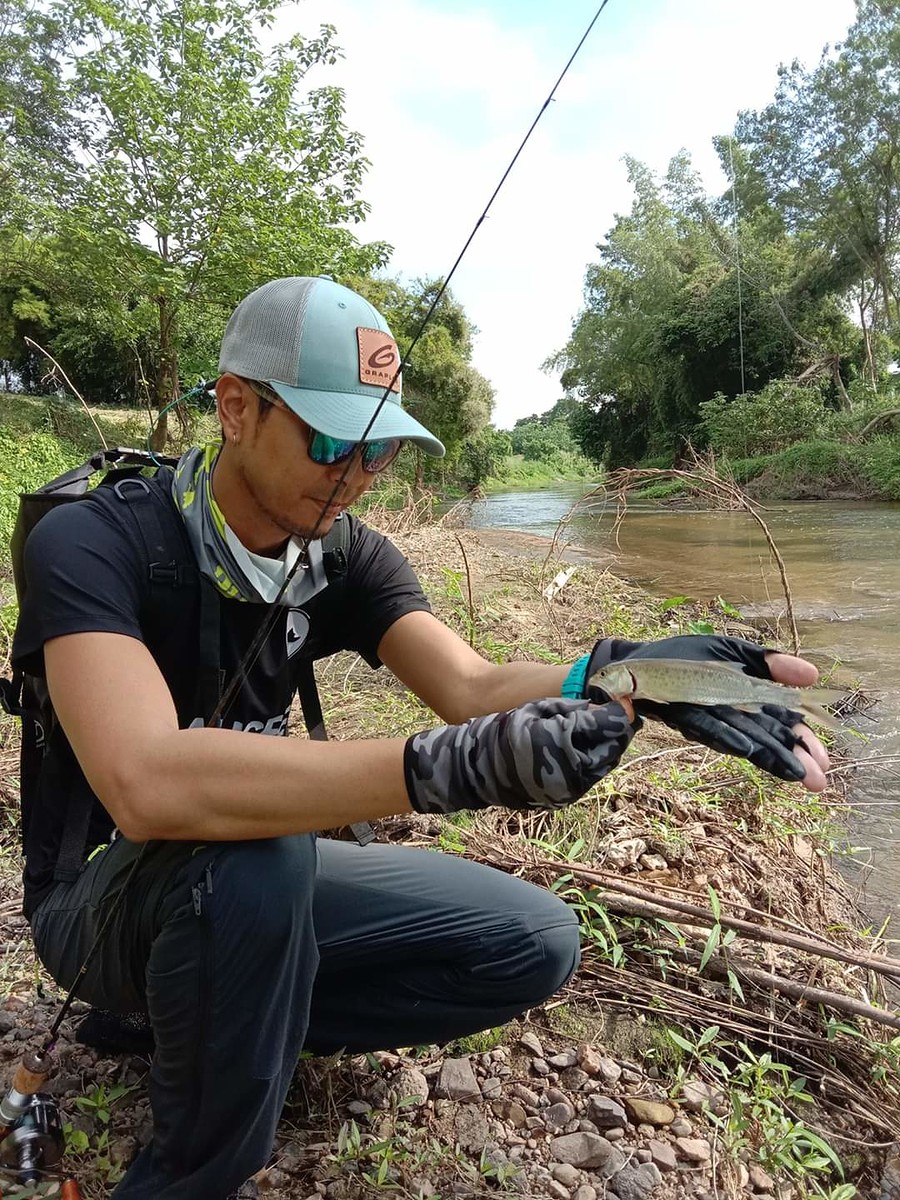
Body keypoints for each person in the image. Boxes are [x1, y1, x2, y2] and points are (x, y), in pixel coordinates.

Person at [11, 276, 830, 1199]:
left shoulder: (341, 549)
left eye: (381, 454)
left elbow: (468, 685)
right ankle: (186, 1176)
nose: (356, 477)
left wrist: (620, 675)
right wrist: (443, 771)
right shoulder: (92, 541)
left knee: (534, 940)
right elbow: (147, 784)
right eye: (332, 444)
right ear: (236, 407)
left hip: (249, 880)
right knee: (255, 858)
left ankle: (205, 1012)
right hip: (95, 904)